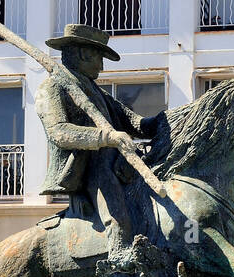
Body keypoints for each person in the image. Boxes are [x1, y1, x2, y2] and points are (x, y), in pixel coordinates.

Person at [35, 24, 161, 251]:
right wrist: (106, 137)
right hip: (90, 168)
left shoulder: (95, 90)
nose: (102, 67)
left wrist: (167, 121)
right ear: (84, 53)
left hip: (118, 162)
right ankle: (120, 265)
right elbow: (59, 132)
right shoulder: (53, 87)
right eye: (100, 58)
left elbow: (133, 122)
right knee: (118, 220)